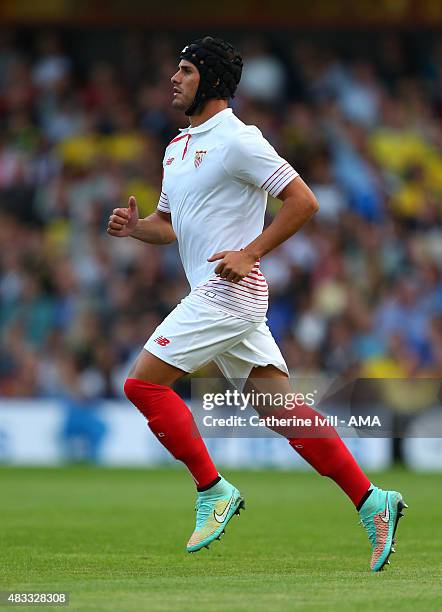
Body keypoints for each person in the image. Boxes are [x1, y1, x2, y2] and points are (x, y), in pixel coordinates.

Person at [107, 36, 407, 571]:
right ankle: (372, 500)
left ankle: (212, 489)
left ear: (211, 80)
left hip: (230, 292)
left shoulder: (239, 141)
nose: (173, 79)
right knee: (285, 413)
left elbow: (303, 200)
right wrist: (137, 230)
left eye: (185, 70)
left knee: (142, 383)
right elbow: (170, 226)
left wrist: (251, 251)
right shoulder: (176, 147)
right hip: (216, 292)